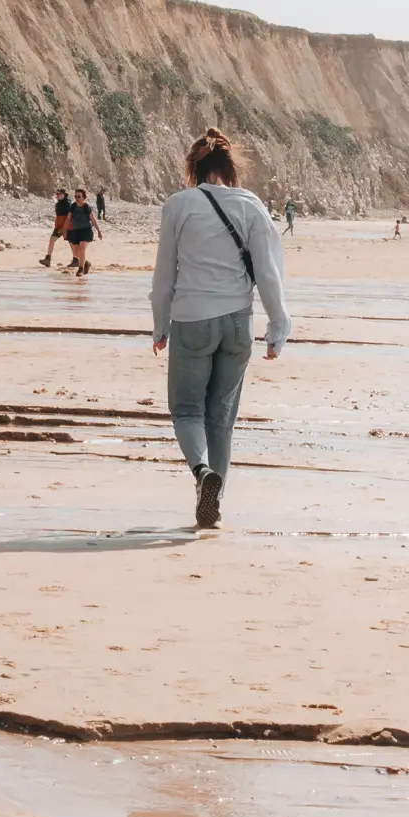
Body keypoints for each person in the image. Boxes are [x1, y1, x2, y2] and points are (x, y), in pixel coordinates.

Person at [151, 128, 291, 530]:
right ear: (230, 167)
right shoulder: (252, 205)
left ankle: (201, 473)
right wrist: (277, 327)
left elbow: (165, 274)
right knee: (222, 415)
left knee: (186, 408)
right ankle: (215, 498)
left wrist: (160, 324)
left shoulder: (179, 205)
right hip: (238, 323)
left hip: (192, 319)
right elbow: (268, 272)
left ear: (192, 167)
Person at [65, 188, 99, 276]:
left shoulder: (86, 207)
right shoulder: (72, 207)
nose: (77, 198)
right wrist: (65, 230)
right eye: (75, 196)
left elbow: (93, 219)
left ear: (83, 198)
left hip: (86, 231)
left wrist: (99, 231)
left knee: (82, 248)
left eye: (79, 196)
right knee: (76, 254)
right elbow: (68, 219)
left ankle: (80, 269)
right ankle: (85, 262)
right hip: (76, 231)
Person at [41, 189, 71, 267]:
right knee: (52, 239)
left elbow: (68, 217)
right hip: (59, 226)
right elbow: (58, 216)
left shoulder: (67, 204)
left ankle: (76, 260)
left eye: (59, 194)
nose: (57, 195)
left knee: (72, 243)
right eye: (56, 194)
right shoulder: (58, 204)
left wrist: (64, 228)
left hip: (67, 226)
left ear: (63, 194)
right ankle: (48, 259)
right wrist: (57, 225)